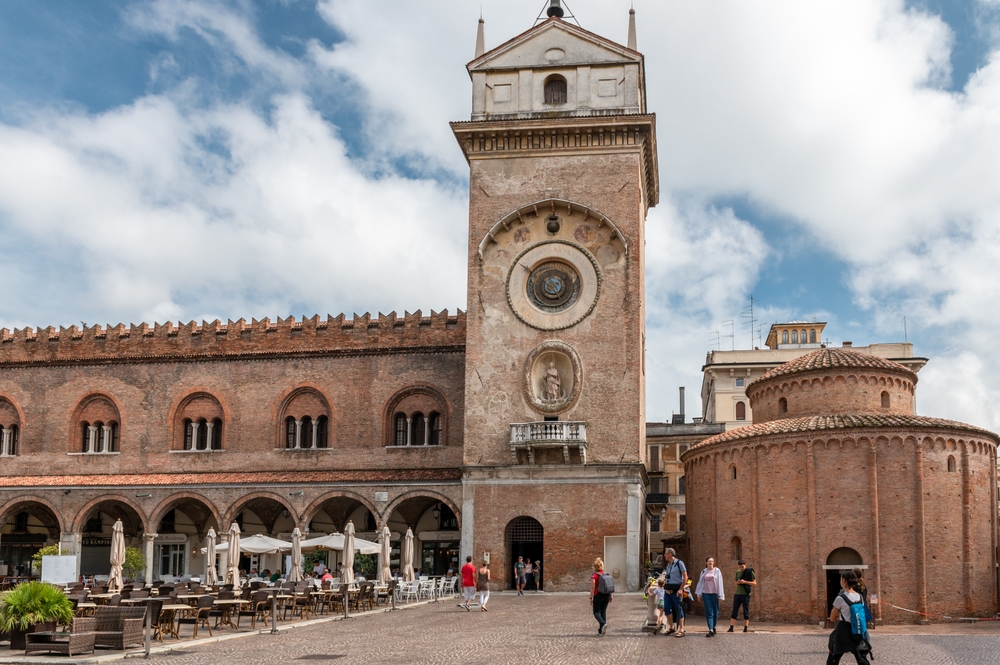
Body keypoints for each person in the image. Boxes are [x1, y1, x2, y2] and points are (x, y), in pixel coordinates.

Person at [827, 570, 870, 664]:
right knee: (861, 658)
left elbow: (831, 618)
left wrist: (838, 616)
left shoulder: (840, 598)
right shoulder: (860, 597)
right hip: (857, 630)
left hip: (843, 630)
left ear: (844, 581)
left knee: (834, 656)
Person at [695, 557, 725, 637]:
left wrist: (720, 595)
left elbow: (720, 583)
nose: (710, 562)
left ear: (713, 562)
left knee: (715, 611)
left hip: (715, 594)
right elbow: (700, 583)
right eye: (709, 561)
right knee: (709, 612)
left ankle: (714, 626)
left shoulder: (717, 571)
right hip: (706, 594)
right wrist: (699, 594)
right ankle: (710, 629)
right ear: (706, 563)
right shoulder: (704, 571)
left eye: (712, 561)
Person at [662, 548, 687, 637]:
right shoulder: (668, 565)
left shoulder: (679, 563)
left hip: (676, 590)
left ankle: (681, 629)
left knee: (679, 609)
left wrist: (681, 589)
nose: (664, 555)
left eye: (665, 554)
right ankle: (672, 627)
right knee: (667, 608)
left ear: (669, 554)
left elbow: (685, 577)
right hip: (668, 590)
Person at [728, 559, 756, 632]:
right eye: (740, 567)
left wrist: (745, 582)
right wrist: (738, 582)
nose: (741, 568)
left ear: (745, 565)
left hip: (746, 594)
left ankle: (745, 628)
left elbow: (754, 583)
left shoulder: (750, 572)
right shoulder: (738, 572)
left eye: (742, 566)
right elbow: (735, 583)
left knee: (745, 610)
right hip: (737, 593)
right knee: (734, 610)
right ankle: (731, 627)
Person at [590, 557, 613, 635]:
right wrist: (611, 595)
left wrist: (590, 597)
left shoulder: (594, 575)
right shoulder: (606, 574)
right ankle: (601, 630)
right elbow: (609, 585)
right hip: (606, 594)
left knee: (596, 612)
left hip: (598, 595)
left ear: (595, 566)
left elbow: (593, 587)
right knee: (603, 611)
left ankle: (603, 624)